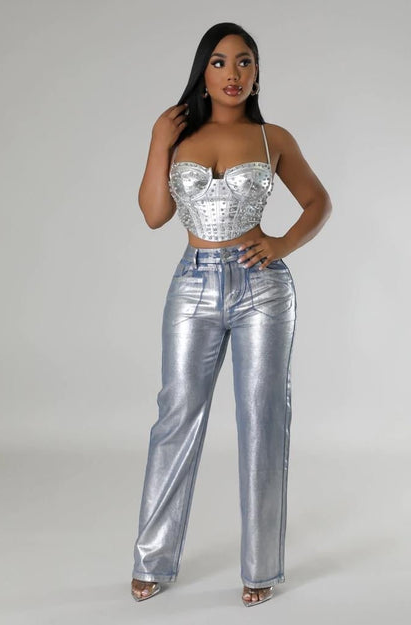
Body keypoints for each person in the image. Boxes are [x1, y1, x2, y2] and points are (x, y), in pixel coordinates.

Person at [131, 22, 332, 607]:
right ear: (203, 72)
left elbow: (318, 201)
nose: (233, 74)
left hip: (262, 290)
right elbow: (154, 215)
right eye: (219, 62)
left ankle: (261, 568)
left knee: (263, 420)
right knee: (176, 416)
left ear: (257, 72)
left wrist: (282, 244)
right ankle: (153, 560)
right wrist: (157, 142)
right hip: (193, 286)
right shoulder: (179, 135)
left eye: (245, 62)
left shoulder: (272, 138)